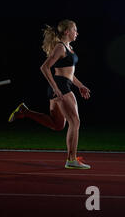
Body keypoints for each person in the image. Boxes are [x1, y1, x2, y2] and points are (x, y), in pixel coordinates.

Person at [8, 19, 92, 169]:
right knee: (75, 122)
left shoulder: (68, 47)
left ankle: (25, 111)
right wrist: (56, 88)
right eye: (74, 30)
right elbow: (45, 67)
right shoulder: (60, 47)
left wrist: (80, 86)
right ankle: (71, 159)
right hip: (60, 87)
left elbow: (69, 74)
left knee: (58, 124)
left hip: (62, 85)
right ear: (67, 31)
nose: (77, 33)